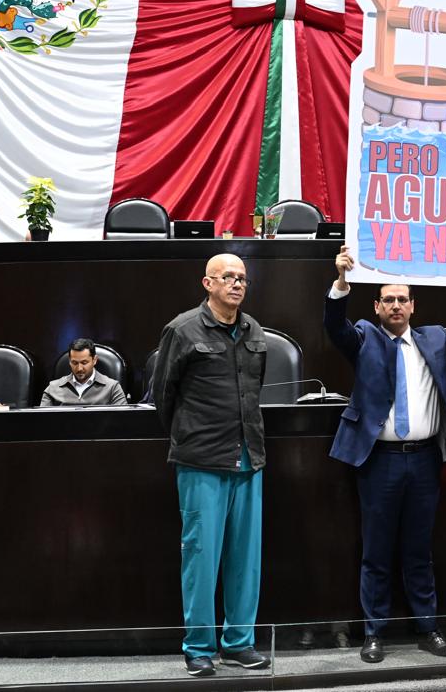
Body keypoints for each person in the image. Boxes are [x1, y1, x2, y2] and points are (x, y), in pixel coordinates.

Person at [325, 245, 446, 665]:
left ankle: (428, 627)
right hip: (379, 461)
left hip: (424, 460)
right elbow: (335, 327)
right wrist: (341, 282)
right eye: (388, 299)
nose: (396, 305)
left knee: (419, 549)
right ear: (377, 306)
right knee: (376, 551)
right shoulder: (364, 338)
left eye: (402, 299)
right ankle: (374, 633)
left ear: (413, 305)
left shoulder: (434, 339)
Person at [153, 254, 271, 678]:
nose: (237, 284)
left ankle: (238, 643)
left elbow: (254, 389)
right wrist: (192, 437)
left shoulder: (254, 330)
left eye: (242, 278)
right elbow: (163, 395)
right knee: (201, 558)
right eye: (228, 277)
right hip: (201, 459)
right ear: (208, 283)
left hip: (248, 457)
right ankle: (198, 648)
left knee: (245, 560)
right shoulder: (183, 329)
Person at [39, 338, 128, 406]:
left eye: (84, 363)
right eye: (74, 363)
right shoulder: (53, 388)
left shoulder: (112, 388)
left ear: (94, 360)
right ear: (69, 361)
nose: (79, 368)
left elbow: (122, 421)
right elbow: (43, 422)